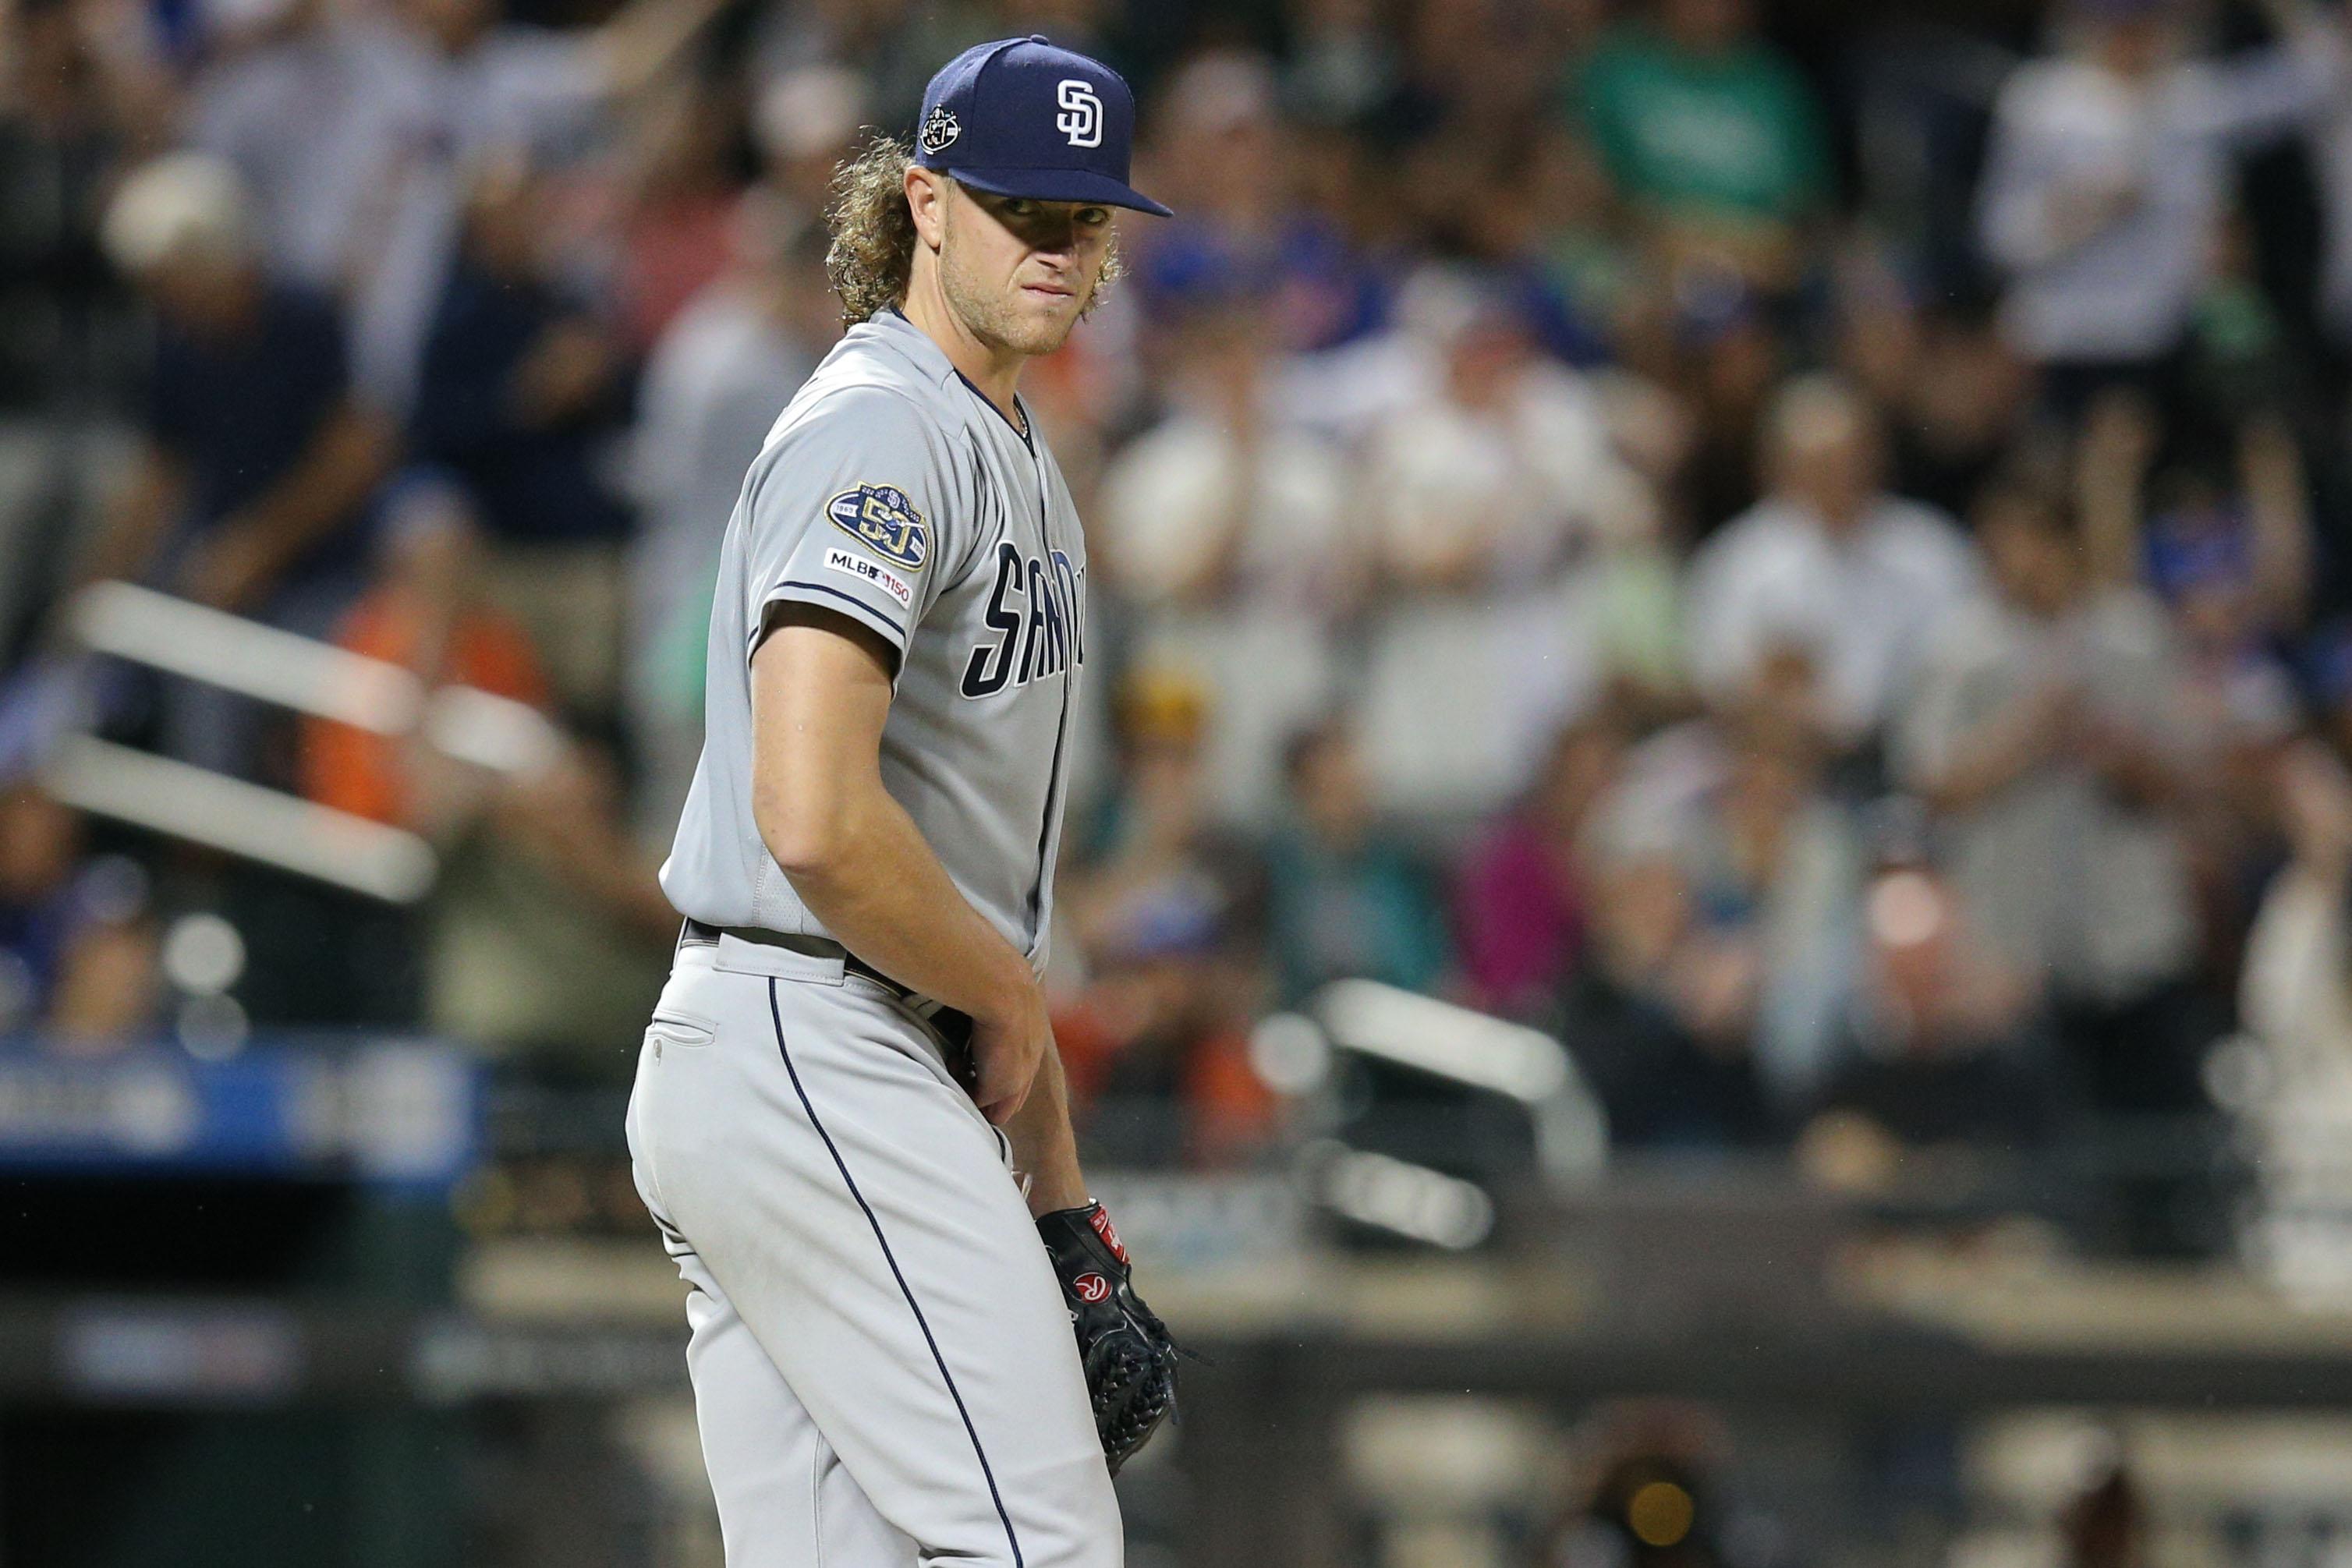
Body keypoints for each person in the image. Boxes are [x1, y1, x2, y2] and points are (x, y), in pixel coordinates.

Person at [625, 38, 1174, 1568]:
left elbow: (991, 942)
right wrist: (1005, 1001)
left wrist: (1058, 1189)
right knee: (1040, 1549)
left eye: (1083, 219)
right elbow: (811, 815)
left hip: (828, 1043)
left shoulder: (1003, 437)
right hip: (818, 1033)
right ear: (922, 202)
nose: (1055, 248)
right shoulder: (883, 426)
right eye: (1018, 208)